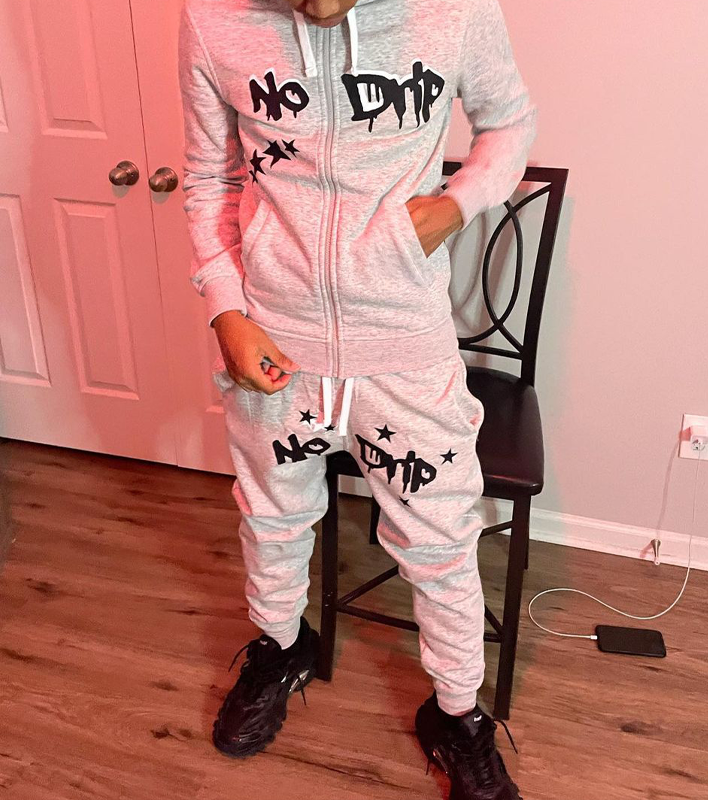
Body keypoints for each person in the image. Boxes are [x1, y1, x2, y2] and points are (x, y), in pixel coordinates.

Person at [178, 0, 536, 796]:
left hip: (403, 344)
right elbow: (209, 179)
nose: (315, 9)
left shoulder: (455, 9)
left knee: (442, 543)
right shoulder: (211, 18)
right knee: (270, 517)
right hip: (275, 338)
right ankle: (280, 649)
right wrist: (226, 310)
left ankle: (457, 714)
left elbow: (510, 123)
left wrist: (455, 205)